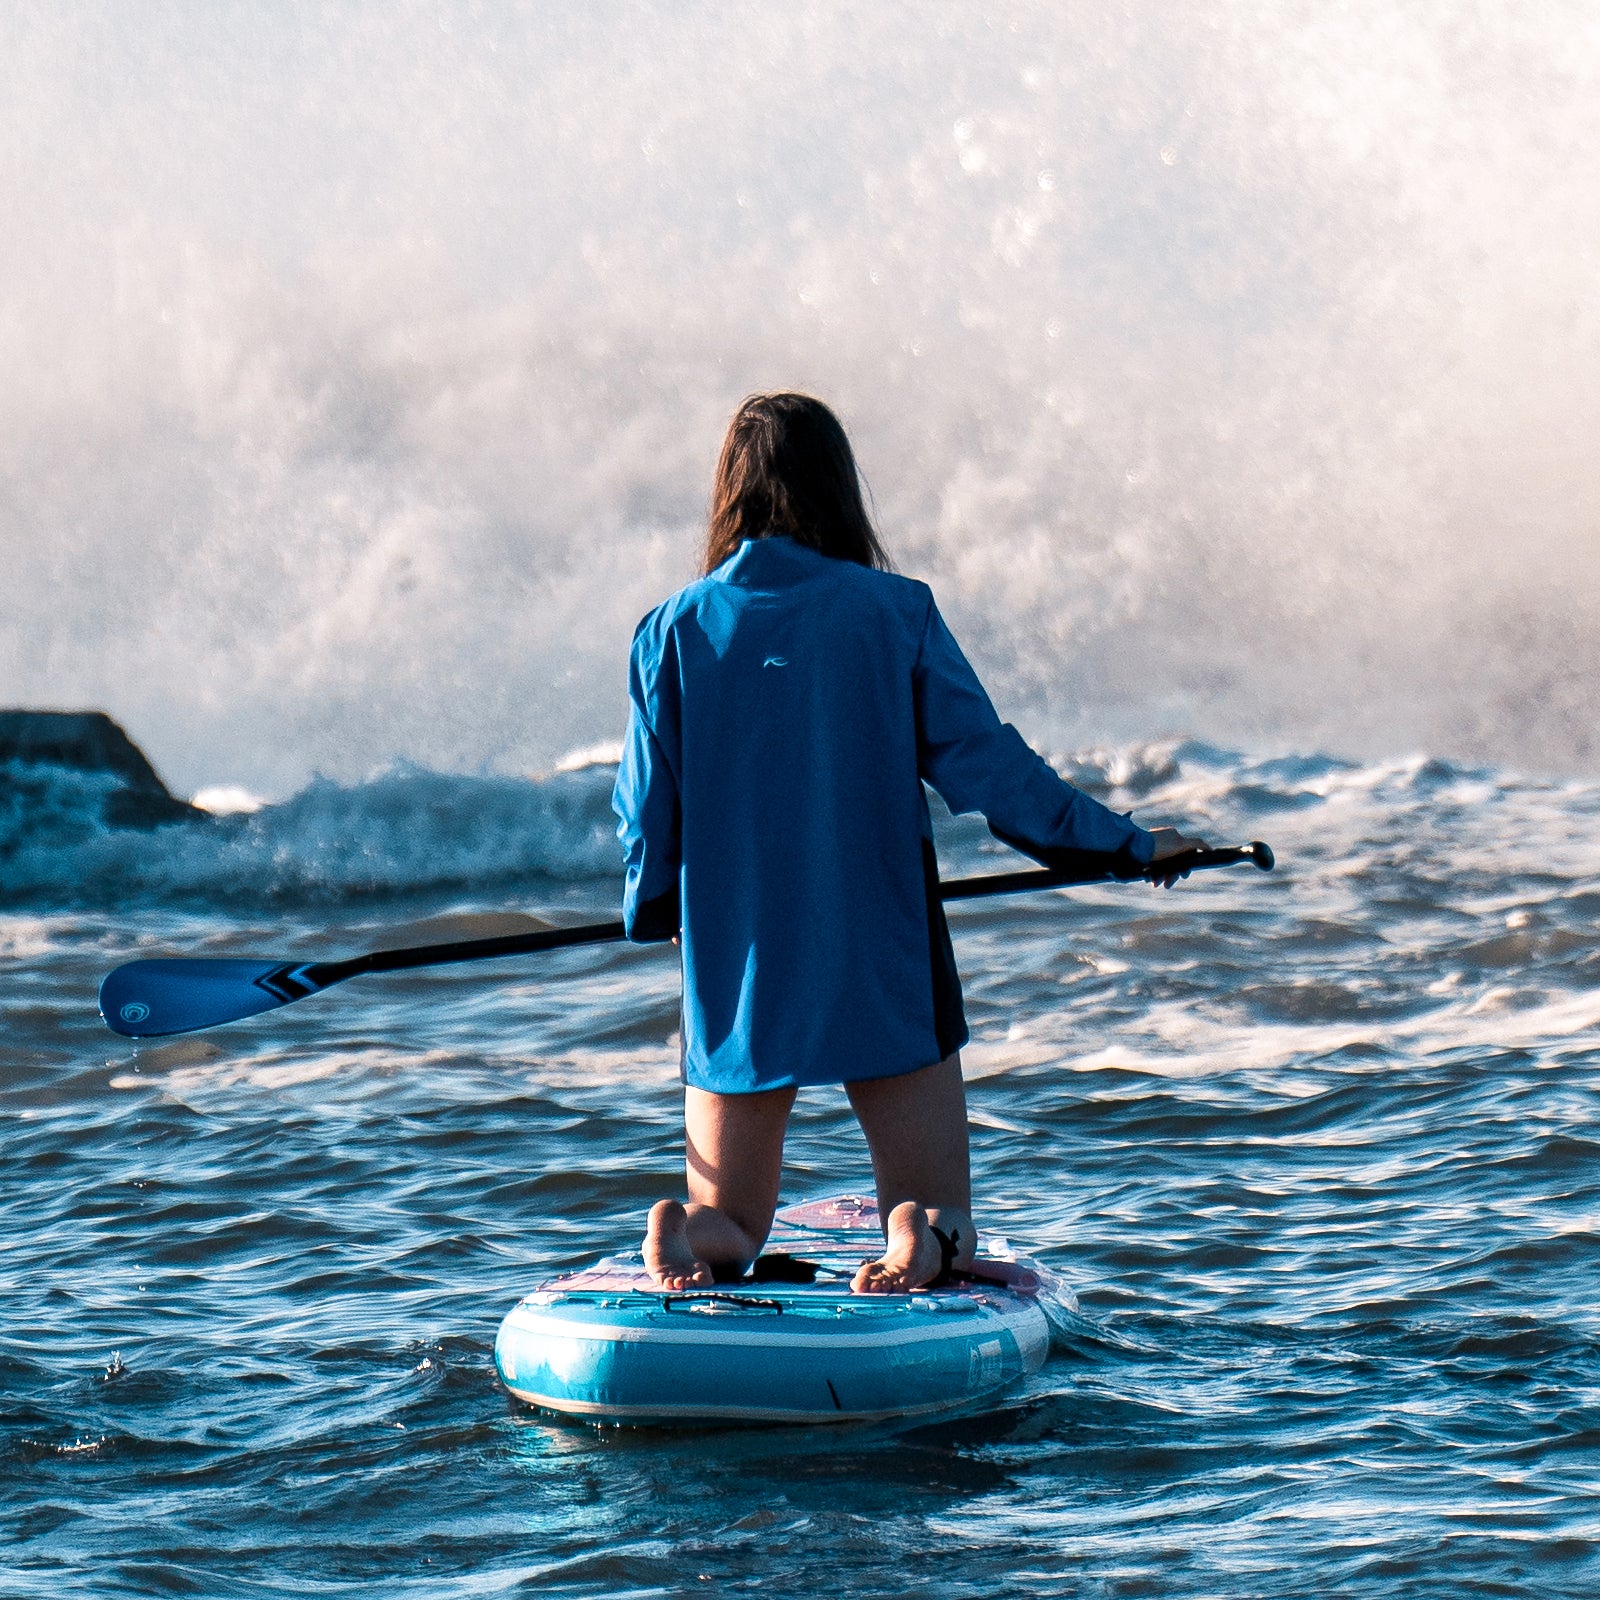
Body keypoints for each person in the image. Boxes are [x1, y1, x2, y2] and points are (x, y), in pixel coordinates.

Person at [612, 393, 1203, 1295]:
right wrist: (1122, 846)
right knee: (937, 1200)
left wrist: (652, 908)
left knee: (732, 1217)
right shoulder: (895, 613)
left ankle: (684, 1232)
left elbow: (647, 815)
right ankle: (914, 1234)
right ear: (839, 489)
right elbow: (995, 773)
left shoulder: (671, 633)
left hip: (740, 967)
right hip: (880, 952)